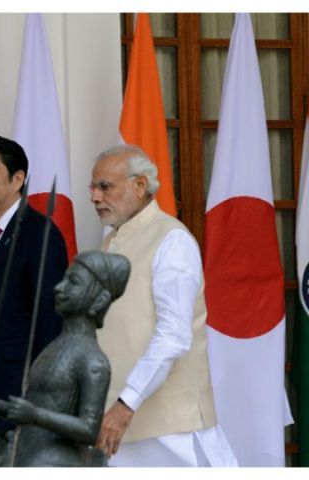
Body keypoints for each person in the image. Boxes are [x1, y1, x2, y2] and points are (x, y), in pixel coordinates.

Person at [90, 144, 238, 467]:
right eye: (93, 187)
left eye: (105, 187)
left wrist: (126, 404)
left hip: (172, 433)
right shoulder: (109, 244)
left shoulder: (172, 240)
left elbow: (173, 335)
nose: (95, 197)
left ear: (140, 186)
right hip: (119, 428)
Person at [0, 132, 68, 433]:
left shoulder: (40, 233)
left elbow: (51, 320)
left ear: (18, 178)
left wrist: (41, 400)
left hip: (21, 393)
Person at [0, 250, 130, 467]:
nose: (60, 288)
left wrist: (34, 415)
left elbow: (89, 430)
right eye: (64, 280)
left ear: (99, 300)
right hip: (25, 452)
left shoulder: (92, 360)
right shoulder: (54, 347)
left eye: (74, 282)